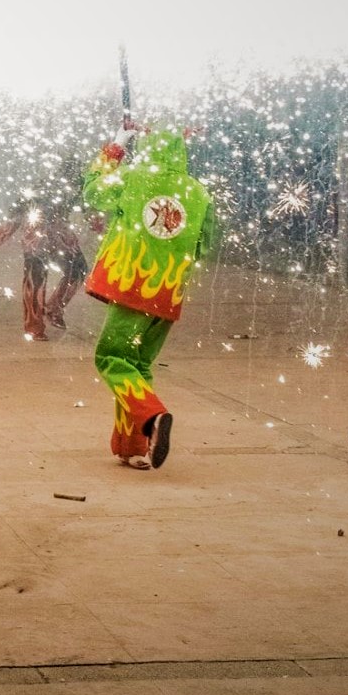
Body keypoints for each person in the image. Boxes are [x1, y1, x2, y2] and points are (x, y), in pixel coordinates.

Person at [81, 127, 212, 470]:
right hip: (168, 293)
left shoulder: (134, 180)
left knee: (111, 359)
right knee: (137, 366)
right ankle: (134, 447)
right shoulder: (199, 192)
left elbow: (94, 191)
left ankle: (152, 415)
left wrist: (115, 148)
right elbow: (207, 244)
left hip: (132, 287)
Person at [0, 199, 54, 341]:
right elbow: (13, 223)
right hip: (36, 251)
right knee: (35, 285)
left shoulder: (52, 200)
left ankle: (50, 312)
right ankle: (35, 326)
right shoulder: (32, 203)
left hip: (51, 246)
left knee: (75, 271)